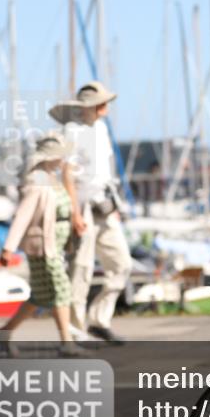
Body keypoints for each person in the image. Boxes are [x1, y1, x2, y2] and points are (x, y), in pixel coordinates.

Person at [50, 81, 132, 345]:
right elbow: (67, 174)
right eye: (103, 102)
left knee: (122, 264)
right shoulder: (71, 131)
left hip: (104, 206)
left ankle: (99, 320)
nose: (107, 107)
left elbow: (105, 171)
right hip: (82, 207)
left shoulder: (101, 129)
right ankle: (75, 330)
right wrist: (75, 213)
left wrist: (115, 206)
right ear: (93, 106)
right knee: (81, 270)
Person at [0, 133, 88, 357]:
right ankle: (67, 343)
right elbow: (23, 215)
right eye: (58, 157)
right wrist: (9, 247)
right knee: (60, 290)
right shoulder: (36, 180)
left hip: (55, 244)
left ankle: (5, 332)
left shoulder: (52, 177)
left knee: (41, 295)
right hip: (42, 247)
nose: (61, 160)